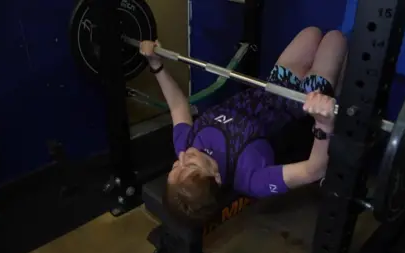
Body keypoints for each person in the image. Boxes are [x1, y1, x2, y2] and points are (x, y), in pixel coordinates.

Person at [139, 27, 347, 225]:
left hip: (274, 87)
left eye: (175, 166)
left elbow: (177, 106)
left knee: (311, 34)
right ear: (217, 177)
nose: (184, 156)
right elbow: (314, 170)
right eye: (191, 166)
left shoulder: (185, 145)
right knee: (335, 39)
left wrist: (156, 65)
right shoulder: (251, 179)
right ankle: (337, 94)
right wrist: (324, 124)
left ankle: (336, 88)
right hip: (305, 104)